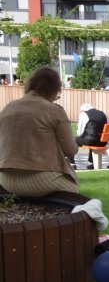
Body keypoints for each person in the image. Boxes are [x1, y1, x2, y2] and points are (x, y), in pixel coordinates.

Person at [0, 67, 78, 196]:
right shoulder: (54, 110)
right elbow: (70, 150)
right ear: (54, 89)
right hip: (41, 179)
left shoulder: (8, 107)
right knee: (74, 189)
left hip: (5, 179)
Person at [75, 103, 108, 170]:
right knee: (92, 138)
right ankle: (92, 163)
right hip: (103, 142)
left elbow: (80, 132)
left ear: (83, 110)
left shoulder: (84, 114)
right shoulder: (103, 114)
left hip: (90, 141)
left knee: (71, 140)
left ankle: (71, 162)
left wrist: (80, 137)